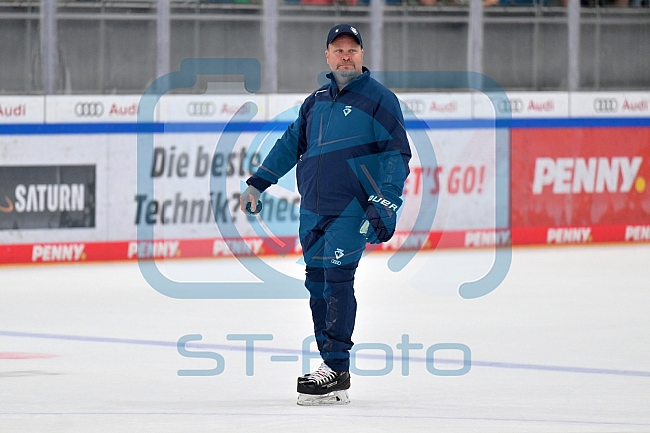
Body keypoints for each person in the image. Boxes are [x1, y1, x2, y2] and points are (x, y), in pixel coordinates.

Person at [240, 23, 411, 406]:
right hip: (313, 209)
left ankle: (335, 366)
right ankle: (332, 365)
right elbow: (290, 143)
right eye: (338, 49)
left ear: (362, 55)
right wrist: (259, 181)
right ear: (327, 56)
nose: (345, 55)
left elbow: (395, 156)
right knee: (317, 284)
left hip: (352, 210)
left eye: (352, 49)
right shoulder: (316, 100)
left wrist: (385, 203)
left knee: (336, 280)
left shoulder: (381, 99)